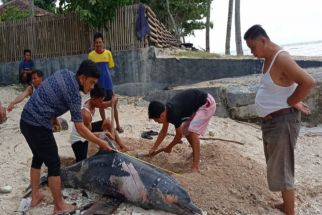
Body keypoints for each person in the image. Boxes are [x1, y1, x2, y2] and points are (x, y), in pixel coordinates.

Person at [20, 60, 113, 215]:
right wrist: (101, 143)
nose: (91, 87)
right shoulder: (75, 95)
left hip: (25, 120)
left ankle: (35, 195)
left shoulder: (65, 72)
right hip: (38, 125)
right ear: (82, 78)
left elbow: (49, 95)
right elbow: (80, 128)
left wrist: (54, 118)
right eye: (91, 83)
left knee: (38, 156)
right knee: (54, 164)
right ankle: (59, 206)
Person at [244, 25, 315, 215]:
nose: (252, 53)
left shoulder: (281, 58)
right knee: (277, 165)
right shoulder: (269, 58)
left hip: (282, 122)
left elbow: (308, 81)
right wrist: (292, 99)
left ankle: (290, 211)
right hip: (273, 122)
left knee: (283, 168)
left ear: (263, 41)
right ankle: (285, 205)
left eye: (252, 47)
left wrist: (293, 101)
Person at [148, 89, 216, 172]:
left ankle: (195, 166)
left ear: (162, 115)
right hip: (196, 106)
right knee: (185, 130)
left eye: (157, 120)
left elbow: (178, 137)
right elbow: (163, 132)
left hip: (207, 103)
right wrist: (154, 148)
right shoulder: (165, 110)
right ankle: (195, 152)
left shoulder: (173, 113)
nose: (157, 122)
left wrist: (169, 147)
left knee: (193, 132)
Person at [70, 84, 130, 162]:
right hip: (79, 138)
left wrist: (112, 101)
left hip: (88, 128)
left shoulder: (92, 102)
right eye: (100, 100)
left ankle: (122, 146)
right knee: (82, 163)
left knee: (108, 122)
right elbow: (87, 135)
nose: (101, 102)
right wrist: (103, 134)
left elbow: (104, 104)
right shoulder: (85, 114)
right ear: (93, 98)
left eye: (102, 100)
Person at [88, 32, 124, 133]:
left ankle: (118, 125)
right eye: (96, 43)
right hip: (97, 86)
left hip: (108, 84)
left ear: (103, 43)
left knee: (113, 104)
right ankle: (105, 124)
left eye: (100, 42)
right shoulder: (91, 56)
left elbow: (110, 67)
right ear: (94, 44)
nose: (98, 44)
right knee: (100, 106)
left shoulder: (108, 53)